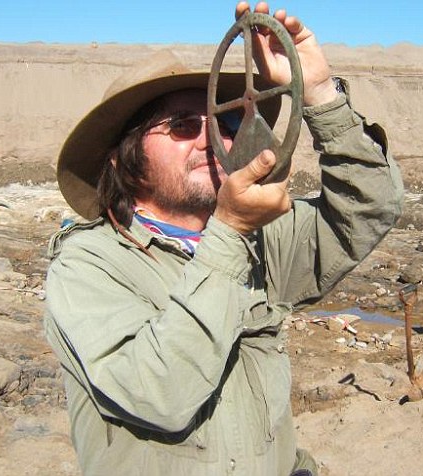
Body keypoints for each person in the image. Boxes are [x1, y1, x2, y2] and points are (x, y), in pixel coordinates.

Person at [44, 2, 404, 475]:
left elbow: (369, 208)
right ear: (122, 159)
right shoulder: (88, 265)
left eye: (226, 123)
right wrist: (229, 232)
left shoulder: (263, 241)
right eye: (183, 125)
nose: (211, 139)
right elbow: (159, 393)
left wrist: (319, 93)